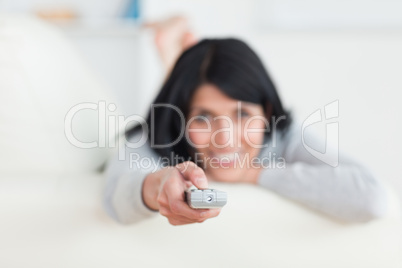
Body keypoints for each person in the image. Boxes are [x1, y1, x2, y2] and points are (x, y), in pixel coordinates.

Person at [103, 18, 387, 226]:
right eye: (203, 117)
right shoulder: (154, 135)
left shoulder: (282, 136)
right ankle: (171, 61)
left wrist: (252, 172)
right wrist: (159, 185)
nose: (225, 139)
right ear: (182, 120)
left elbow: (371, 197)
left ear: (265, 112)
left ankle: (171, 61)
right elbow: (118, 194)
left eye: (243, 115)